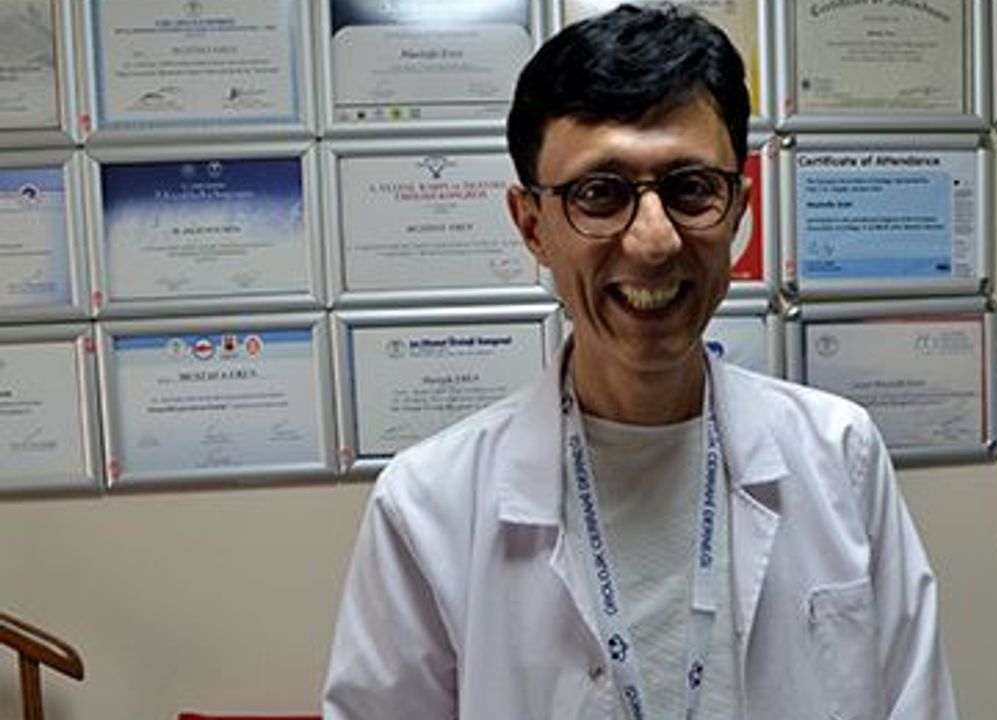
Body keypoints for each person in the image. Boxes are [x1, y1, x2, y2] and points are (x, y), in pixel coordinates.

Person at [322, 5, 957, 719]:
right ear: (532, 226)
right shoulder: (429, 505)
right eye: (599, 194)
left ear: (737, 209)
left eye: (691, 188)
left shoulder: (841, 456)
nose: (654, 241)